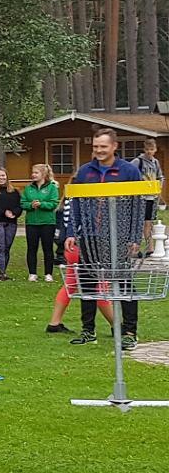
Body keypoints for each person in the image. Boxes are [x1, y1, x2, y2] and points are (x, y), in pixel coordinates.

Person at [65, 128, 144, 350]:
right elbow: (76, 205)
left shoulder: (129, 171)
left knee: (124, 282)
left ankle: (129, 332)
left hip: (119, 237)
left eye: (103, 146)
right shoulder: (85, 172)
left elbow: (138, 208)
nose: (99, 151)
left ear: (114, 146)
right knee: (88, 282)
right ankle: (88, 330)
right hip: (90, 236)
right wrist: (72, 232)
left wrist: (134, 237)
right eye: (96, 147)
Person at [48, 239, 113, 336]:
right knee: (99, 285)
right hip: (88, 248)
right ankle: (116, 325)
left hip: (73, 248)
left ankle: (54, 322)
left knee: (70, 283)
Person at [22, 163, 61, 282]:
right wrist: (30, 205)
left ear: (43, 174)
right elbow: (22, 203)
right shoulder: (28, 188)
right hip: (32, 223)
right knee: (31, 248)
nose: (33, 175)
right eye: (32, 172)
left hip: (47, 222)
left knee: (47, 248)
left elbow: (54, 203)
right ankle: (32, 273)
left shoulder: (52, 188)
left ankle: (48, 274)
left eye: (36, 173)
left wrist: (42, 204)